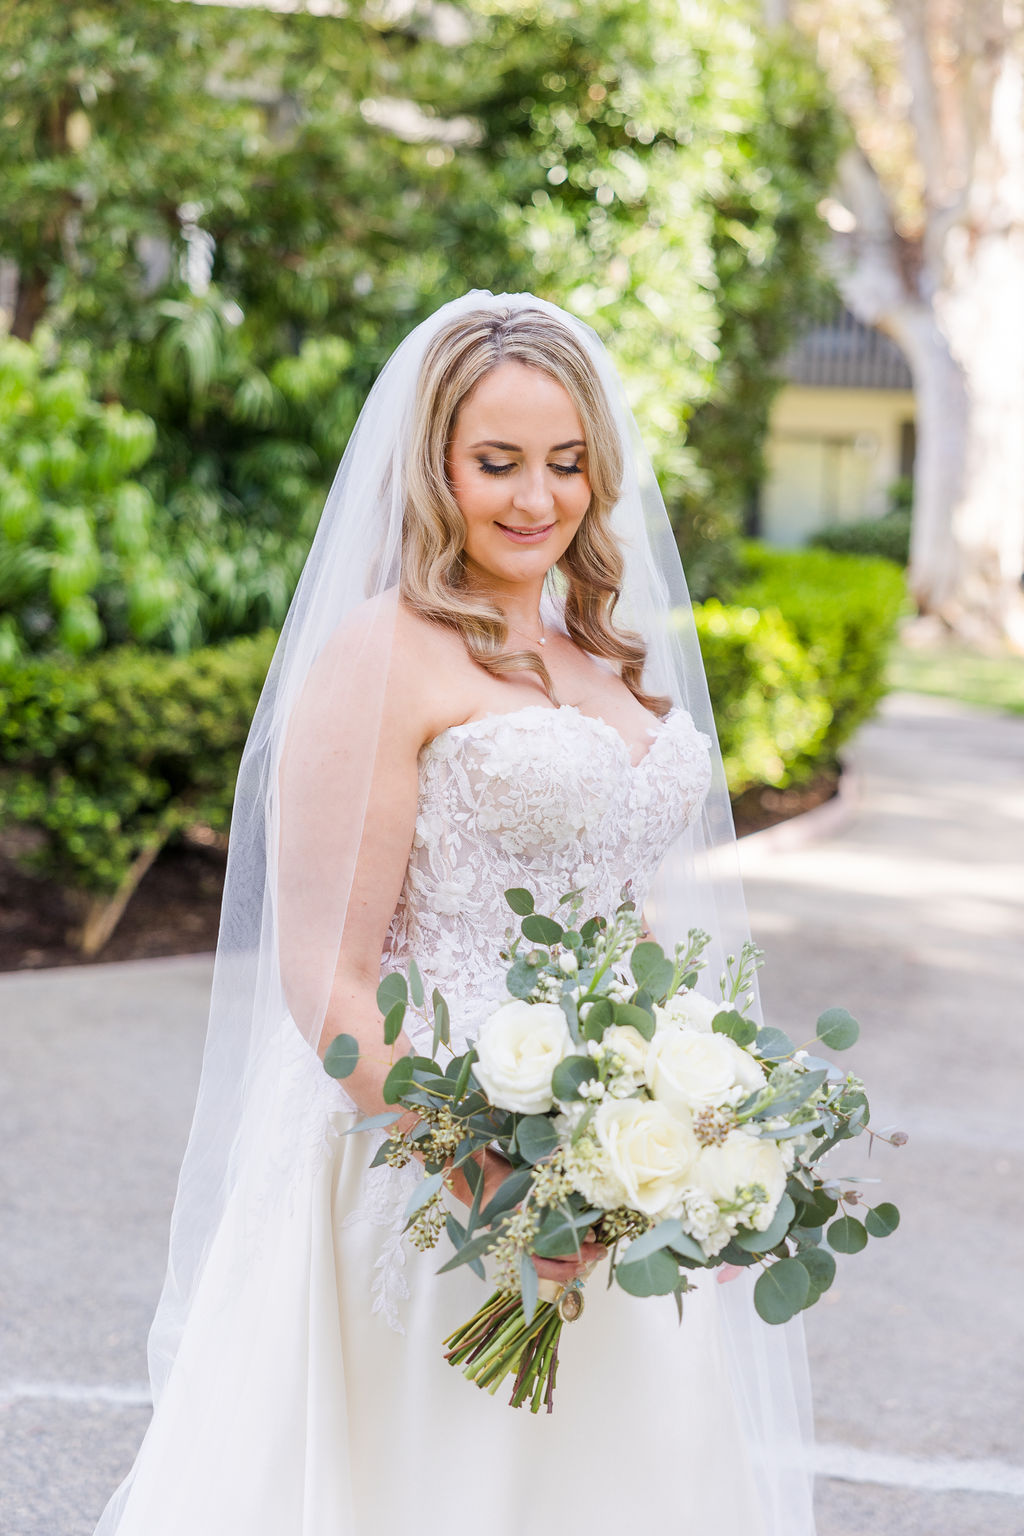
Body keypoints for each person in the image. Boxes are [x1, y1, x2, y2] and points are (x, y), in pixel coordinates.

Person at [94, 293, 816, 1535]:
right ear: (435, 467)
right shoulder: (385, 654)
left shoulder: (601, 656)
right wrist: (492, 1171)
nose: (537, 498)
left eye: (566, 463)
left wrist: (698, 1131)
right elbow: (326, 986)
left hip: (608, 1181)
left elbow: (623, 928)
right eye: (497, 463)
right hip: (435, 1169)